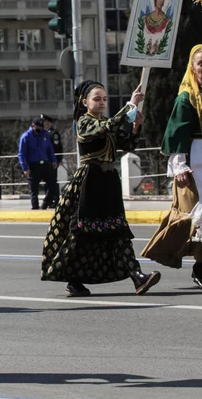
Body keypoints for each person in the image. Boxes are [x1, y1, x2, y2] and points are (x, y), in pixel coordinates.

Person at [41, 81, 160, 297]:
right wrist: (129, 108)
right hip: (89, 182)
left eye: (105, 99)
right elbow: (105, 129)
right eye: (97, 99)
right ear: (85, 102)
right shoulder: (84, 122)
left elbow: (126, 145)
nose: (102, 102)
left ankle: (137, 276)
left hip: (109, 182)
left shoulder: (107, 121)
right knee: (83, 232)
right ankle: (74, 279)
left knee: (118, 230)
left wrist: (135, 127)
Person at [152, 44, 202, 286]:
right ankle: (200, 267)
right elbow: (177, 132)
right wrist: (179, 165)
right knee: (197, 214)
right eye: (201, 64)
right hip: (196, 158)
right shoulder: (187, 97)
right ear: (192, 68)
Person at [18, 118, 58, 210]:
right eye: (38, 127)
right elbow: (21, 154)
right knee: (34, 190)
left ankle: (45, 203)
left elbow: (49, 149)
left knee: (52, 185)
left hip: (44, 164)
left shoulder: (44, 134)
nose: (40, 129)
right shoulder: (26, 137)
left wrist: (53, 160)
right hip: (33, 165)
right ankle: (35, 207)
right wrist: (25, 168)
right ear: (33, 126)